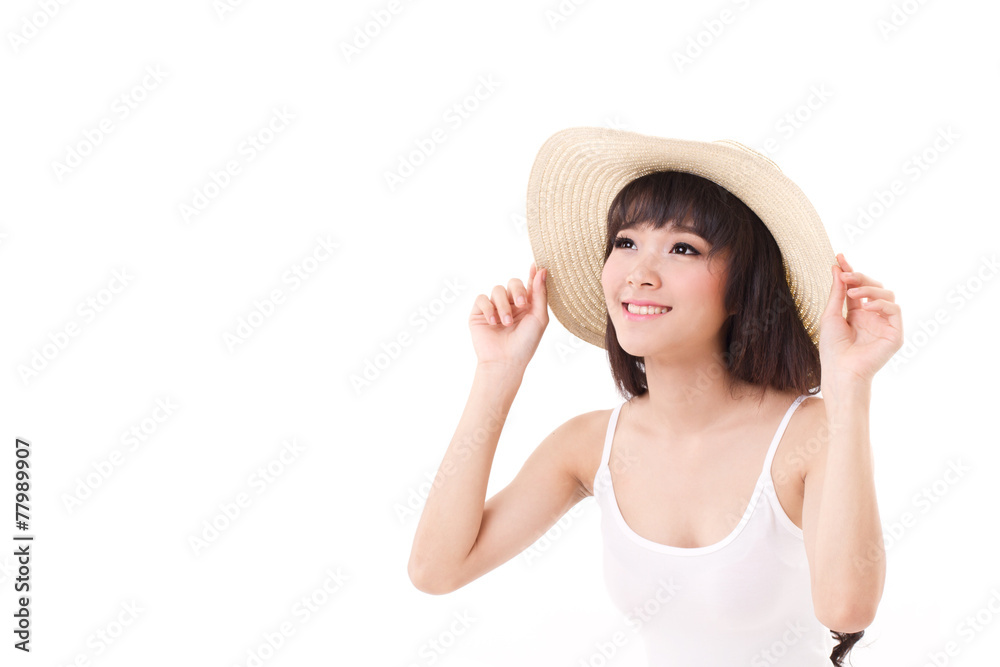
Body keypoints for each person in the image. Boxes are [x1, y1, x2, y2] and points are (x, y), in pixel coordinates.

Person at [407, 127, 903, 666]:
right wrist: (497, 373)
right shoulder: (588, 445)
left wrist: (849, 386)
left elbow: (846, 609)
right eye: (626, 242)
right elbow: (436, 570)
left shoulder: (808, 434)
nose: (640, 273)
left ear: (743, 290)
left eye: (683, 248)